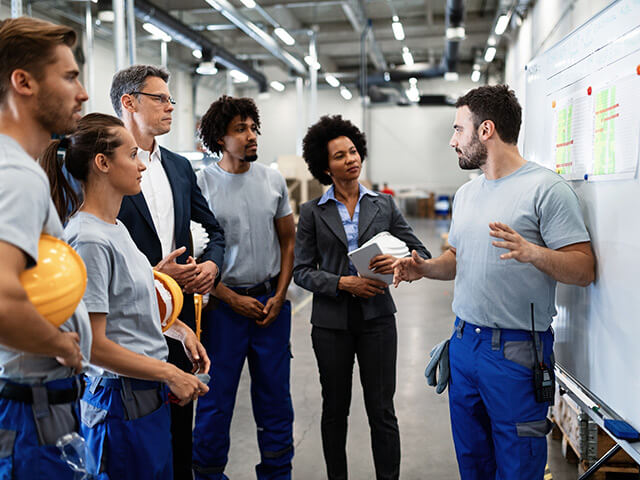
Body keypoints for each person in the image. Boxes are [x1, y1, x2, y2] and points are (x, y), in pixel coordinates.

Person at [393, 84, 595, 480]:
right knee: (474, 464)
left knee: (518, 467)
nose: (453, 141)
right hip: (464, 345)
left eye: (458, 130)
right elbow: (458, 259)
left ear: (486, 130)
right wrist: (425, 268)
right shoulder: (467, 195)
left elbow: (584, 268)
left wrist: (534, 253)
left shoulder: (546, 190)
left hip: (517, 352)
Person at [41, 113, 211, 479]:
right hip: (120, 400)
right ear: (102, 163)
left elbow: (128, 302)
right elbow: (93, 345)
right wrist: (170, 373)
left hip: (144, 395)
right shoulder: (88, 240)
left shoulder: (116, 228)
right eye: (133, 155)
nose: (142, 166)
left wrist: (180, 330)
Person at [293, 115, 431, 480]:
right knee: (334, 410)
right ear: (325, 167)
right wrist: (342, 283)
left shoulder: (383, 206)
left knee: (382, 411)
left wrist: (400, 261)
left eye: (353, 151)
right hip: (330, 325)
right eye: (340, 156)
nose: (350, 159)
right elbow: (301, 270)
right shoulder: (311, 213)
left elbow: (421, 254)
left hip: (378, 321)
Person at [110, 64, 225, 478]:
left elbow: (213, 229)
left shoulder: (178, 167)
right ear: (129, 102)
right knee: (133, 437)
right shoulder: (106, 168)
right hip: (125, 325)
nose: (170, 107)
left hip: (178, 319)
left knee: (179, 431)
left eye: (170, 99)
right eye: (160, 98)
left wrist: (212, 264)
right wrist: (154, 276)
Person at [0, 17, 93, 479]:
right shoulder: (17, 176)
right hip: (29, 412)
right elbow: (1, 300)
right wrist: (62, 343)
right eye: (70, 76)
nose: (83, 93)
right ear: (24, 82)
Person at [192, 95, 296, 480]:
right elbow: (196, 255)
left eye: (253, 128)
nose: (252, 136)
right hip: (223, 310)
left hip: (271, 305)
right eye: (241, 129)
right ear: (220, 138)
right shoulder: (200, 185)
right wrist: (229, 296)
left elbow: (288, 240)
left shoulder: (272, 179)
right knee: (215, 400)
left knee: (275, 400)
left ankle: (276, 472)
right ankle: (208, 473)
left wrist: (280, 295)